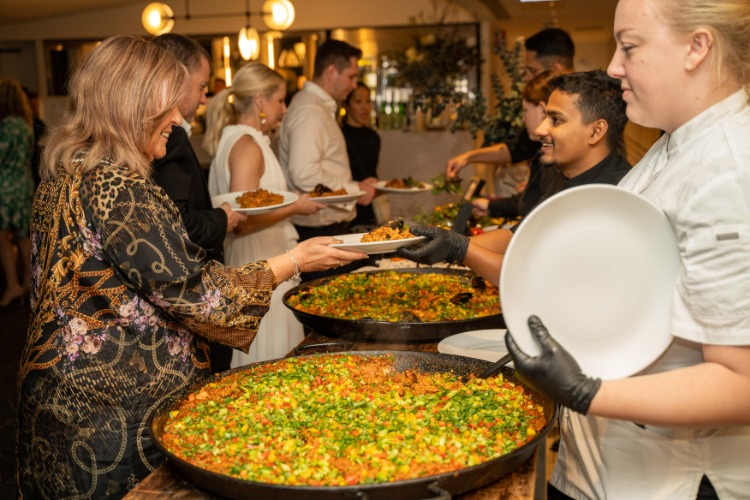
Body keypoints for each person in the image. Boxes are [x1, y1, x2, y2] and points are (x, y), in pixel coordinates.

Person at [15, 35, 366, 498]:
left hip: (57, 399)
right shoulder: (118, 184)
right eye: (168, 104)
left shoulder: (66, 169)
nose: (180, 118)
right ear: (131, 103)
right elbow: (200, 295)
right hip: (108, 419)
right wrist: (295, 260)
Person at [504, 1, 750, 498]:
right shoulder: (674, 142)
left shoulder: (729, 170)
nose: (614, 66)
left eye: (630, 47)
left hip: (666, 480)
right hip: (605, 465)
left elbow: (740, 381)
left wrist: (587, 391)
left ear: (697, 47)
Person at [399, 70, 630, 286]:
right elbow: (517, 237)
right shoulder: (567, 175)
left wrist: (459, 249)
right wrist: (436, 241)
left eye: (556, 120)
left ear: (596, 131)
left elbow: (530, 277)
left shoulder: (609, 197)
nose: (540, 130)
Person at [204, 63, 325, 365]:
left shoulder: (242, 140)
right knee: (269, 360)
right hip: (259, 263)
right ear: (260, 100)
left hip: (266, 259)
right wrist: (295, 207)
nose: (284, 109)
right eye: (281, 100)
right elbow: (242, 222)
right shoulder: (246, 145)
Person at [152, 33, 246, 373]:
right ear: (177, 77)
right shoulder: (170, 136)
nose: (204, 98)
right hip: (188, 296)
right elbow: (179, 224)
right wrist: (222, 218)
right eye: (201, 86)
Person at [278, 39, 378, 279]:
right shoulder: (310, 110)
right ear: (331, 71)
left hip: (325, 227)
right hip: (318, 230)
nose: (354, 85)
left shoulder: (319, 107)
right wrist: (355, 189)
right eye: (351, 77)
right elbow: (304, 173)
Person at [445, 28, 575, 182]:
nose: (526, 77)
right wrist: (469, 156)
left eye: (532, 70)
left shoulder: (583, 110)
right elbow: (516, 148)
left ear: (555, 69)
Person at [471, 71, 563, 221]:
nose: (523, 118)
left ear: (541, 109)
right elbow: (529, 202)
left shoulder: (552, 159)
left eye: (525, 110)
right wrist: (492, 206)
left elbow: (533, 209)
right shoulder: (546, 155)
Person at [0, 78, 34, 308]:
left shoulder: (5, 126)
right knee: (24, 237)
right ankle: (30, 283)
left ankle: (12, 285)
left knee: (3, 237)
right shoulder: (26, 124)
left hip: (5, 186)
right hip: (25, 184)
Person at [341, 81, 381, 228]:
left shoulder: (373, 137)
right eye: (358, 101)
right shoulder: (339, 135)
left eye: (368, 101)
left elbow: (372, 173)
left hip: (369, 206)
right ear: (346, 104)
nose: (365, 107)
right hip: (347, 205)